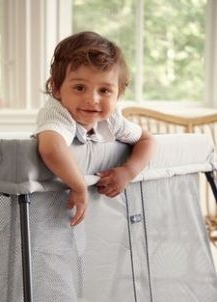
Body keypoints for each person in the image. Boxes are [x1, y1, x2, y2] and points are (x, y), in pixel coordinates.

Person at [35, 31, 156, 226]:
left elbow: (147, 140)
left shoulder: (111, 119)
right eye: (80, 88)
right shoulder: (57, 113)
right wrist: (79, 185)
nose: (92, 99)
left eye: (105, 90)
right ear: (57, 89)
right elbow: (51, 147)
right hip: (47, 213)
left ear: (118, 94)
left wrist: (128, 171)